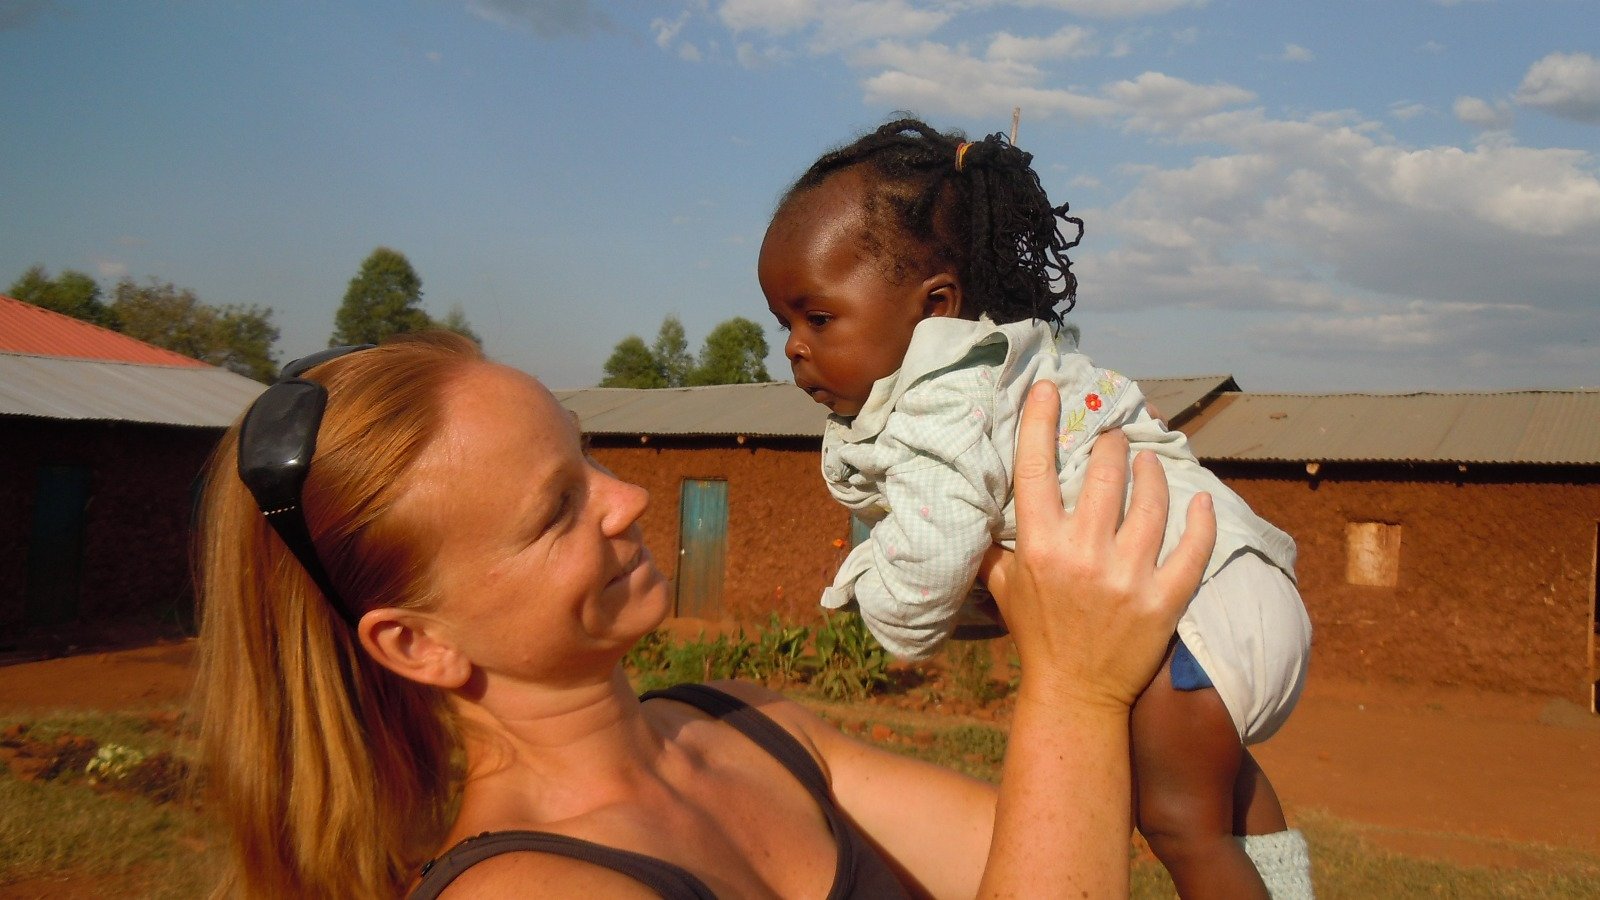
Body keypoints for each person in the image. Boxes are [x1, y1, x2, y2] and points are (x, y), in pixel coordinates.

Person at [191, 330, 1216, 898]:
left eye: (584, 453)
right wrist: (1075, 691)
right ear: (416, 644)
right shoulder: (529, 895)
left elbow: (1052, 850)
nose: (627, 498)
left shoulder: (747, 727)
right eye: (556, 511)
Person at [758, 117, 1314, 899]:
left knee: (1181, 827)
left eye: (817, 318)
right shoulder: (1009, 358)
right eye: (783, 324)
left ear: (936, 305)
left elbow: (925, 579)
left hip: (1181, 608)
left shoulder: (936, 405)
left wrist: (869, 594)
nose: (794, 346)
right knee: (1219, 789)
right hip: (1232, 583)